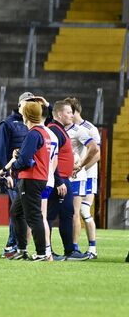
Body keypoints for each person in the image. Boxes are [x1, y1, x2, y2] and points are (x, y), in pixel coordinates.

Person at [0, 101, 55, 262]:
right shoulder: (43, 132)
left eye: (23, 112)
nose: (21, 114)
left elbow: (24, 160)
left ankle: (42, 253)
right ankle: (22, 249)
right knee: (17, 213)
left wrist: (10, 168)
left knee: (33, 216)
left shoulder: (33, 133)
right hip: (36, 178)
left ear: (27, 115)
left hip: (32, 178)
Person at [44, 100, 89, 260]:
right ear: (60, 114)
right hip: (59, 180)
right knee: (49, 215)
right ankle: (47, 251)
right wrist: (58, 181)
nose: (72, 115)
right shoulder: (54, 130)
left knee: (66, 214)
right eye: (69, 112)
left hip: (64, 178)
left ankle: (70, 251)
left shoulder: (58, 129)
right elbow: (50, 158)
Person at [0, 91, 32, 256]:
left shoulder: (34, 122)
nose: (31, 105)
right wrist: (6, 174)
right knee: (19, 210)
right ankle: (12, 246)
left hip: (30, 174)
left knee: (20, 210)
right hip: (14, 175)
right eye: (28, 102)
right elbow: (0, 152)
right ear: (20, 105)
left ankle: (16, 246)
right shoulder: (8, 123)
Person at [65, 97, 101, 259]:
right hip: (76, 174)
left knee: (83, 210)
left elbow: (97, 154)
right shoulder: (69, 128)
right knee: (76, 211)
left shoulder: (90, 128)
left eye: (68, 110)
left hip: (88, 175)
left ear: (74, 111)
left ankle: (91, 248)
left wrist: (80, 168)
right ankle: (76, 248)